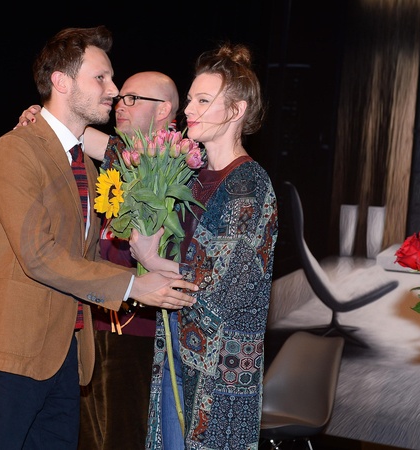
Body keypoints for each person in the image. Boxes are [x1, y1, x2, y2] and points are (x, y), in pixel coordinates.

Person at [0, 26, 197, 450]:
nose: (114, 89)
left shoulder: (82, 163)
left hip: (65, 356)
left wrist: (151, 278)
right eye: (101, 78)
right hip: (10, 352)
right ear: (62, 82)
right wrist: (132, 285)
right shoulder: (15, 151)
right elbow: (38, 256)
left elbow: (82, 257)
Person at [16, 71, 181, 450]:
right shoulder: (117, 159)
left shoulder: (182, 165)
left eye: (132, 99)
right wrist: (41, 117)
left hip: (143, 328)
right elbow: (72, 131)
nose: (120, 105)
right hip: (95, 320)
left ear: (164, 110)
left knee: (124, 435)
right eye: (119, 98)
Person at [129, 43, 279, 449]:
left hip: (221, 370)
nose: (189, 109)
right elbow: (122, 153)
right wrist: (51, 120)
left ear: (236, 110)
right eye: (190, 98)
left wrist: (150, 258)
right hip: (177, 347)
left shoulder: (249, 186)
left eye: (203, 100)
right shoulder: (192, 177)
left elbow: (218, 285)